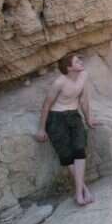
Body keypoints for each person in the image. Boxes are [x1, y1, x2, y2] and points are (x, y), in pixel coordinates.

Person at [35, 53, 98, 206]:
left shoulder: (83, 75)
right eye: (77, 61)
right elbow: (46, 105)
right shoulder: (59, 83)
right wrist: (42, 129)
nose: (81, 62)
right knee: (67, 156)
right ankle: (82, 191)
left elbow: (84, 99)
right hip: (56, 118)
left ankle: (80, 193)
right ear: (69, 67)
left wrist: (89, 118)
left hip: (73, 115)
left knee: (79, 150)